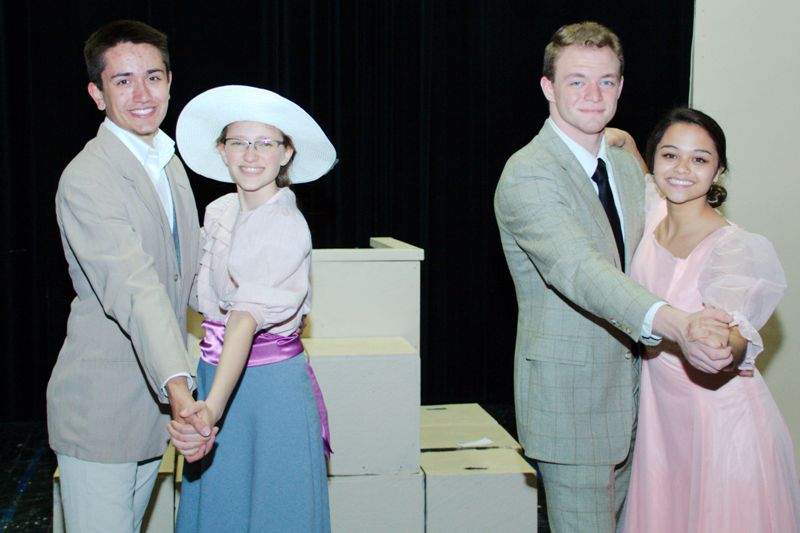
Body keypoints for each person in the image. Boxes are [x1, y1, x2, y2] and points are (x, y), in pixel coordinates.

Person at [493, 21, 733, 532]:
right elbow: (580, 270)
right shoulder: (529, 172)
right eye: (576, 80)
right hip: (570, 403)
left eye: (606, 81)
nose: (593, 94)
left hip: (639, 400)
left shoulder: (625, 167)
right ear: (548, 87)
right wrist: (678, 324)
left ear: (621, 86)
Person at [49, 19, 213, 532]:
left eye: (153, 77)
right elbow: (135, 288)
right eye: (123, 81)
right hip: (102, 409)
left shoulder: (168, 162)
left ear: (170, 82)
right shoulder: (88, 177)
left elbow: (187, 276)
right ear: (97, 94)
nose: (142, 95)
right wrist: (181, 390)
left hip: (152, 411)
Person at [616, 107, 800, 532]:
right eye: (670, 155)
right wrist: (621, 138)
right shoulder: (655, 213)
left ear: (719, 171)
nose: (682, 169)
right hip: (663, 426)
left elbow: (736, 333)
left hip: (721, 427)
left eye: (699, 159)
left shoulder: (733, 248)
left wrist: (724, 348)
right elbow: (645, 172)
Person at [171, 85, 336, 532]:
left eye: (265, 143)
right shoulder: (220, 211)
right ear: (221, 150)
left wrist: (212, 409)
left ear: (286, 153)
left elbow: (243, 319)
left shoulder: (284, 224)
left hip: (268, 390)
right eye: (239, 141)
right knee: (220, 505)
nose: (250, 154)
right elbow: (197, 295)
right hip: (216, 373)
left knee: (274, 509)